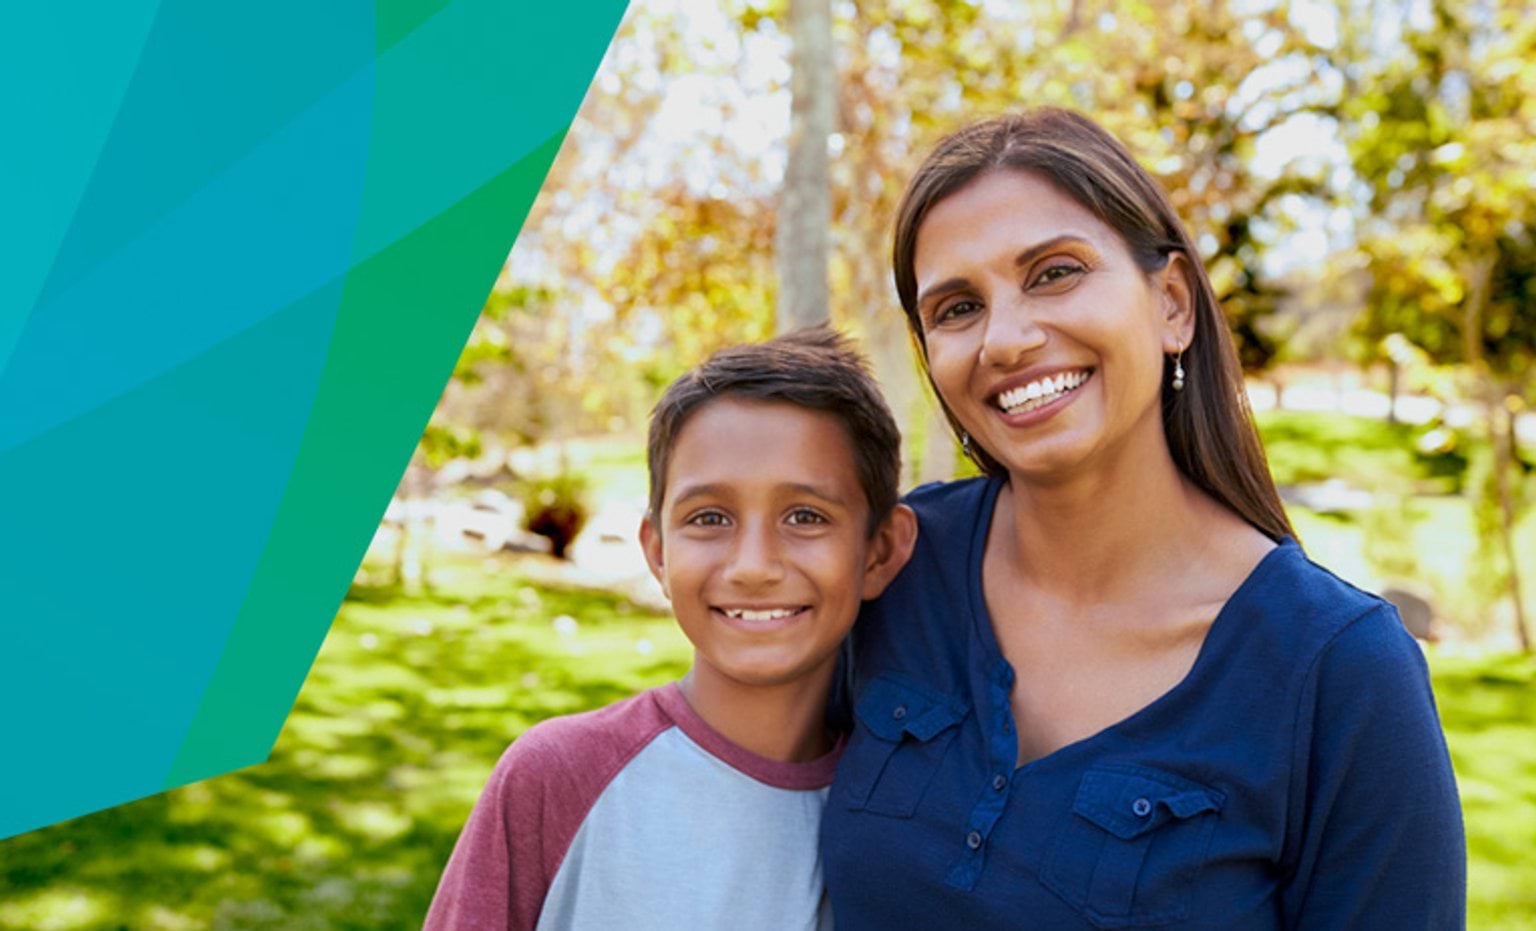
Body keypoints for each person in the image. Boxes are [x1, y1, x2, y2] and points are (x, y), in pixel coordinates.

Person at [820, 108, 1465, 929]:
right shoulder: (895, 569)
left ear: (1171, 304)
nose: (1007, 339)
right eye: (956, 308)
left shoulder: (1340, 672)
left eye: (1054, 272)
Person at [426, 327, 917, 931]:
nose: (753, 566)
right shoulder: (553, 779)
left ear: (881, 550)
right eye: (709, 517)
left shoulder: (904, 815)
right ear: (657, 552)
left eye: (806, 516)